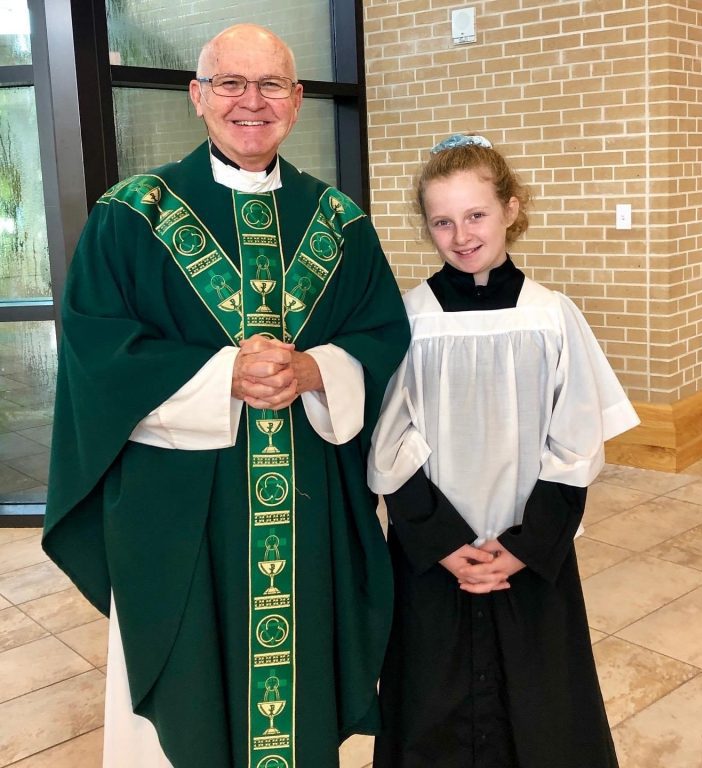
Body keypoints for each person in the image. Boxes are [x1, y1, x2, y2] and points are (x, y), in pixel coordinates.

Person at [42, 23, 410, 768]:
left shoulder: (340, 225)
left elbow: (383, 338)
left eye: (271, 84)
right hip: (179, 516)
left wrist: (315, 371)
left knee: (296, 697)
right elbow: (98, 353)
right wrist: (224, 377)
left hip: (304, 513)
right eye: (230, 84)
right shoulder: (131, 216)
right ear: (197, 96)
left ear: (298, 100)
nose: (252, 102)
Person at [367, 133, 640, 768]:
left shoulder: (552, 317)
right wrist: (442, 540)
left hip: (527, 554)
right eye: (442, 221)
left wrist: (522, 547)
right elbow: (389, 444)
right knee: (428, 705)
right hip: (436, 556)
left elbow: (573, 444)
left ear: (511, 209)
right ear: (427, 227)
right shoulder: (408, 319)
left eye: (476, 214)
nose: (461, 235)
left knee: (542, 712)